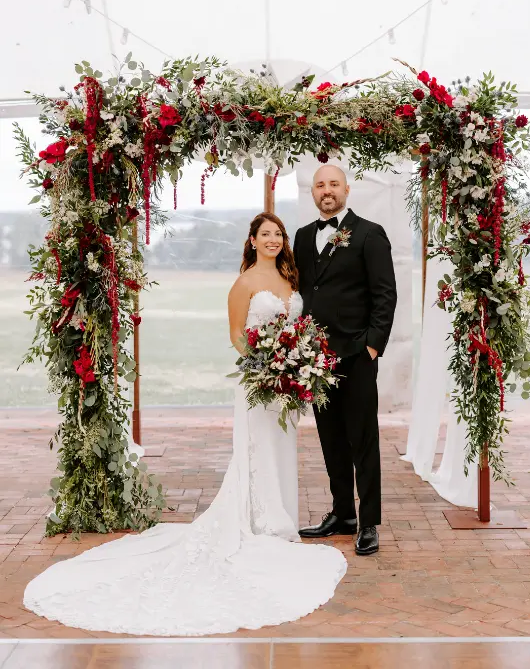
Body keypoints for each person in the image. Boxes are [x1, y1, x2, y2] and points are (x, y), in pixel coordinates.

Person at [23, 212, 346, 637]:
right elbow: (236, 334)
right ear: (251, 241)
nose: (272, 239)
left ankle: (279, 519)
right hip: (259, 382)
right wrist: (269, 363)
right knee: (258, 451)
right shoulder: (244, 283)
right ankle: (260, 525)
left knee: (283, 450)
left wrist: (295, 362)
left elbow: (297, 326)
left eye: (278, 234)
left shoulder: (291, 279)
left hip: (286, 386)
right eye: (265, 234)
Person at [294, 165, 397, 555]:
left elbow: (385, 294)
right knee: (330, 438)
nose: (327, 190)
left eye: (333, 184)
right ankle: (343, 513)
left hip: (356, 355)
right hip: (316, 361)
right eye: (320, 185)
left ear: (347, 190)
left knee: (363, 440)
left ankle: (368, 521)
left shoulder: (370, 234)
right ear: (313, 192)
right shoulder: (304, 237)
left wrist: (372, 345)